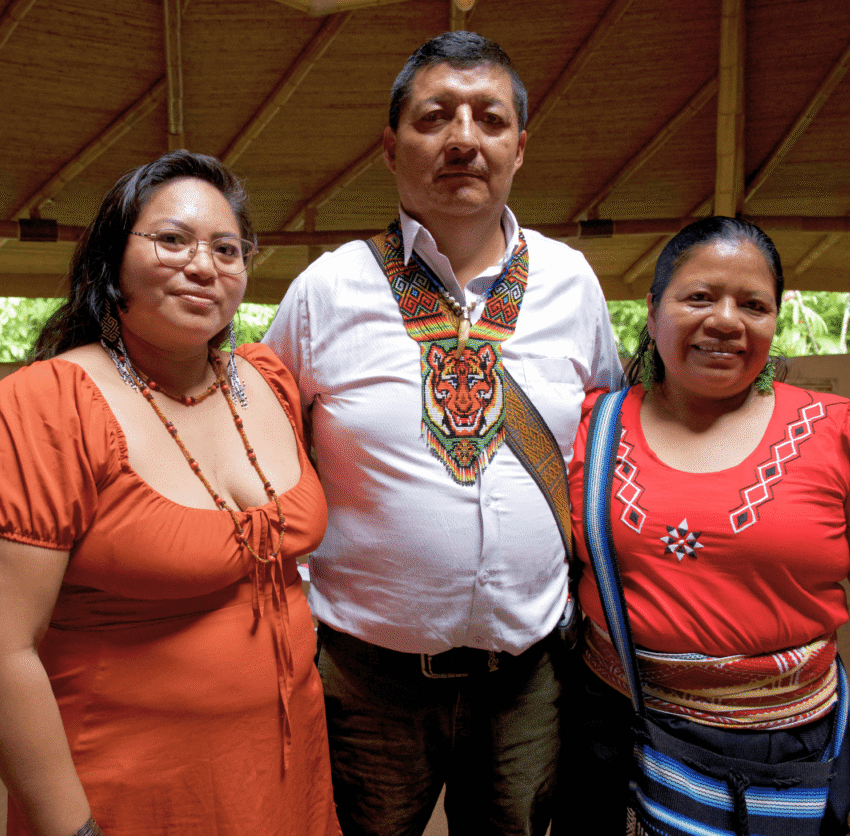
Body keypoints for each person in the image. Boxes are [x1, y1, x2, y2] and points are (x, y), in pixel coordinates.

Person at [262, 31, 621, 836]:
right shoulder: (327, 288)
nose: (463, 138)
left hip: (525, 681)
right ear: (391, 148)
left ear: (519, 148)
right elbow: (257, 438)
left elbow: (608, 442)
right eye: (435, 118)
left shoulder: (572, 283)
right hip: (366, 680)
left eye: (489, 119)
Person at [0, 151, 340, 836]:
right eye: (172, 240)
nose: (204, 264)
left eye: (226, 248)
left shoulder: (266, 379)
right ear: (110, 258)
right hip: (131, 791)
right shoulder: (47, 405)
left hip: (287, 767)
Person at [559, 216, 850, 836]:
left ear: (774, 320)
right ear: (653, 312)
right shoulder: (592, 429)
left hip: (786, 754)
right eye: (699, 297)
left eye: (753, 304)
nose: (727, 320)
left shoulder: (842, 433)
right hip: (611, 736)